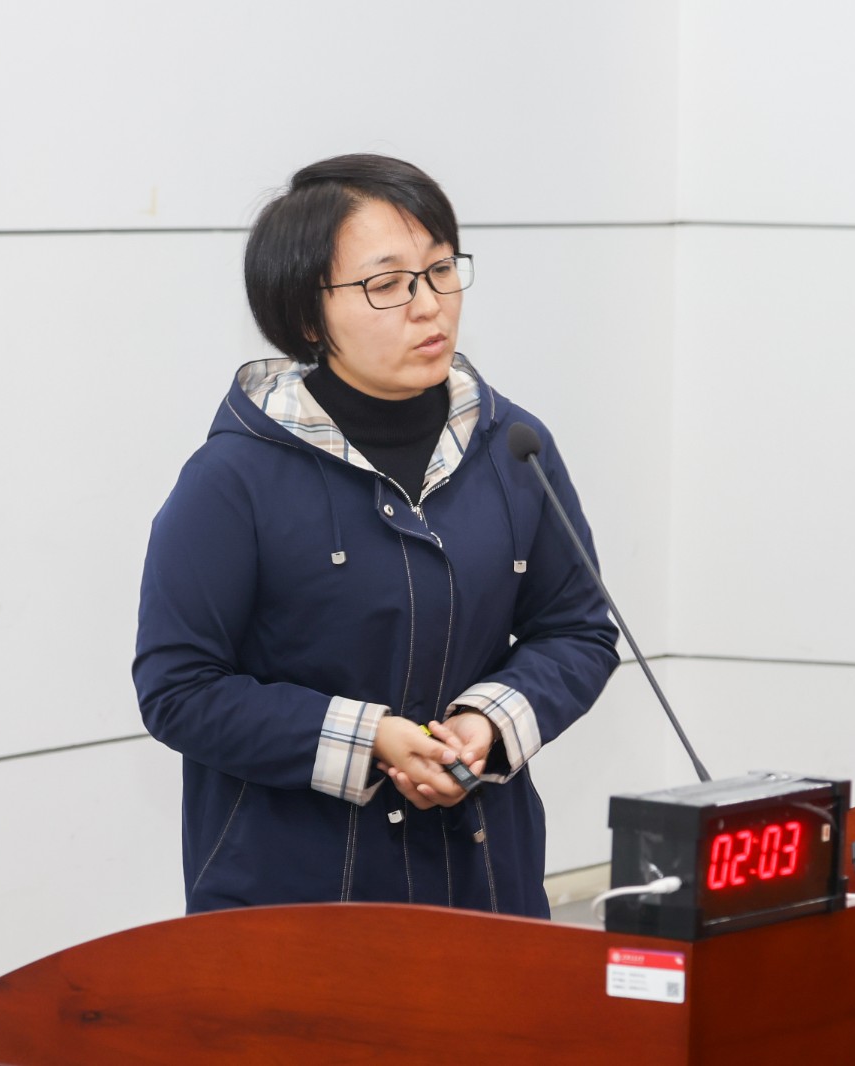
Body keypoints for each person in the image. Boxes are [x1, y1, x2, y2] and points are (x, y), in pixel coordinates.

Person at [133, 154, 619, 917]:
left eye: (441, 271)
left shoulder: (513, 448)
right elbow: (179, 690)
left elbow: (579, 630)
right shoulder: (235, 477)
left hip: (486, 886)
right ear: (307, 316)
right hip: (295, 905)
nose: (429, 306)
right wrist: (372, 739)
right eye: (387, 284)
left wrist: (485, 726)